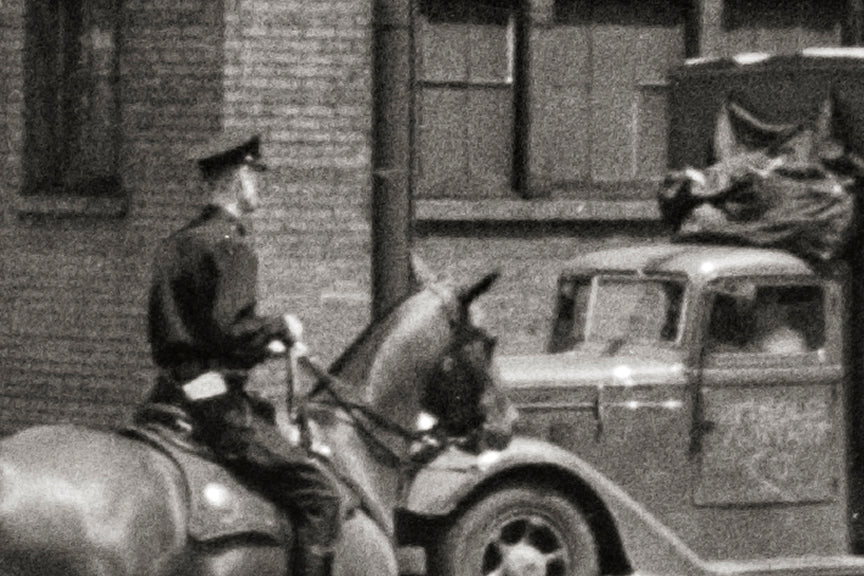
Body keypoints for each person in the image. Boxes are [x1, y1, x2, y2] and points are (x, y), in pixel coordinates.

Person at [145, 131, 340, 576]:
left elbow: (194, 332)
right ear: (237, 178)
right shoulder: (230, 242)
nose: (259, 187)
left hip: (170, 391)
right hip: (213, 398)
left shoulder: (177, 242)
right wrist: (281, 327)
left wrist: (262, 347)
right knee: (321, 496)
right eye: (256, 175)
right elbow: (232, 327)